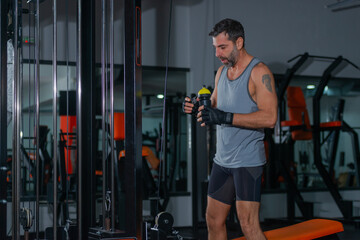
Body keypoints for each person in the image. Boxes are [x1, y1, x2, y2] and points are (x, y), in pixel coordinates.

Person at [183, 18, 277, 240]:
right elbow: (214, 104)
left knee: (248, 224)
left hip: (247, 161)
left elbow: (270, 117)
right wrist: (197, 106)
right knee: (213, 220)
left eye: (223, 47)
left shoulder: (259, 72)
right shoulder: (221, 73)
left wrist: (225, 117)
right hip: (222, 160)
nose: (218, 53)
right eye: (215, 47)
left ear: (239, 42)